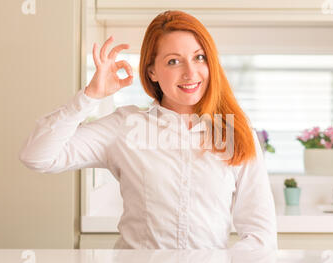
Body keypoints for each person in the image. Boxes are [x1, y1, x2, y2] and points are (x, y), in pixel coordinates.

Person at [19, 10, 277, 250]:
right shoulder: (125, 126)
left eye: (199, 57)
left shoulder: (235, 134)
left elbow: (260, 236)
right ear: (152, 71)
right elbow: (37, 156)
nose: (190, 72)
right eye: (174, 61)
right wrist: (90, 96)